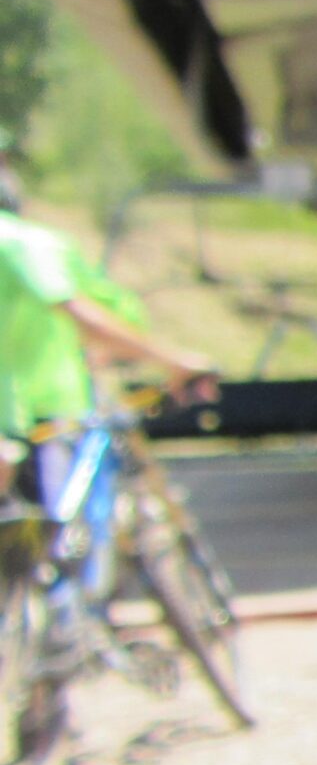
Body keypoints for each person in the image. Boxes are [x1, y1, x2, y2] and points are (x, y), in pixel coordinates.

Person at [0, 174, 215, 516]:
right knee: (60, 539)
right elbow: (78, 310)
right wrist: (172, 360)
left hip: (28, 419)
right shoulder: (24, 243)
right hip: (41, 415)